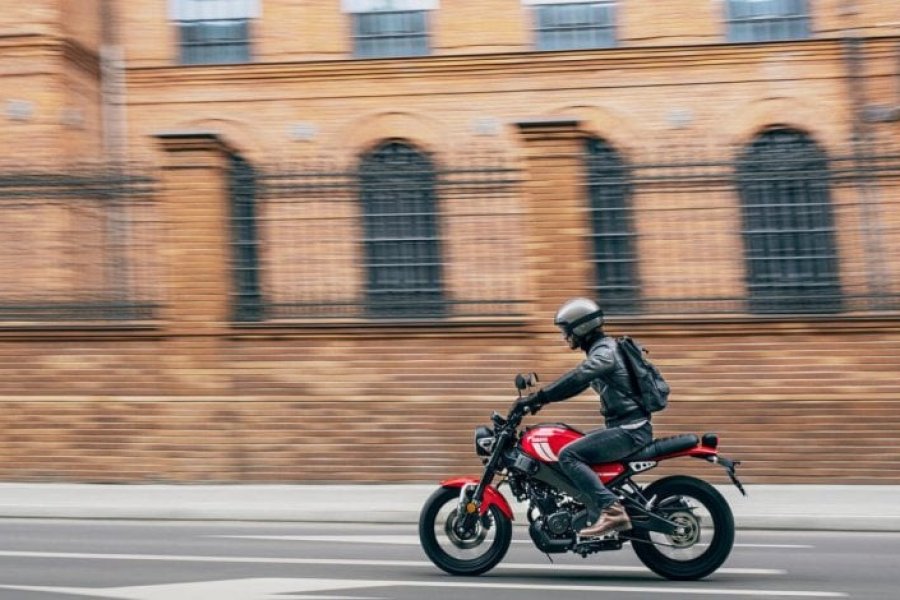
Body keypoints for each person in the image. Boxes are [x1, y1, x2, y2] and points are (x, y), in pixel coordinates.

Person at [516, 297, 653, 537]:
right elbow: (579, 383)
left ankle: (612, 511)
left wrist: (539, 397)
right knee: (571, 442)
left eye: (566, 330)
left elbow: (579, 377)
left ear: (580, 328)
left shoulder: (605, 352)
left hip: (630, 430)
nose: (565, 336)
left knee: (568, 454)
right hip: (626, 427)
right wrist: (541, 401)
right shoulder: (602, 350)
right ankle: (589, 507)